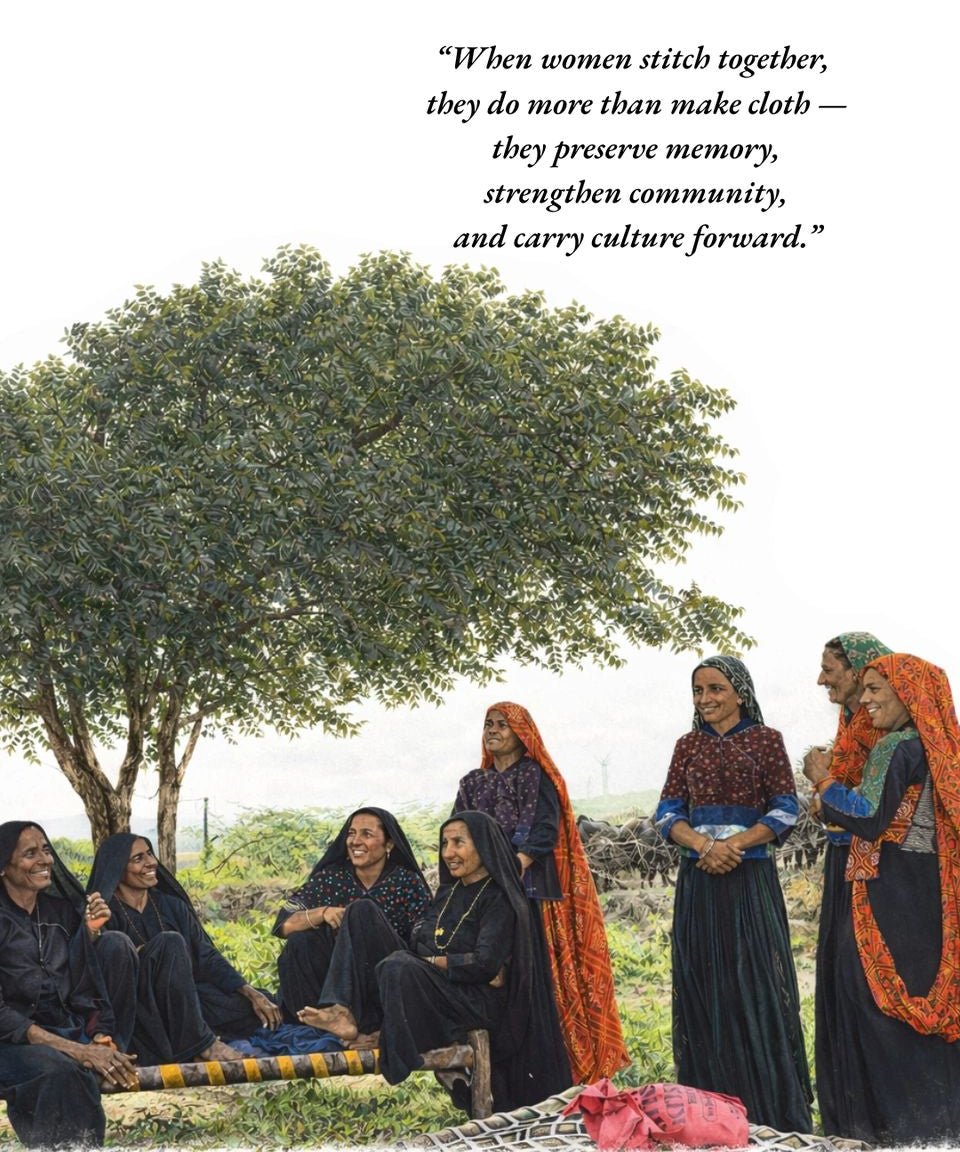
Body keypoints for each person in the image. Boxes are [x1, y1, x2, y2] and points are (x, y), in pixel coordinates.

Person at [297, 810, 571, 1112]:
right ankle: (343, 1011)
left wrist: (434, 961)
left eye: (458, 843)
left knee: (398, 965)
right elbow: (422, 939)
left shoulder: (500, 898)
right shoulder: (448, 893)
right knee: (361, 911)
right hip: (443, 986)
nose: (448, 853)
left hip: (476, 1002)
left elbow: (484, 964)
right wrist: (441, 960)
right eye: (444, 844)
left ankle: (388, 1034)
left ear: (483, 846)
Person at [806, 653, 960, 1145]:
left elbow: (869, 816)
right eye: (866, 688)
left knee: (881, 1008)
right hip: (929, 897)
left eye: (876, 690)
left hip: (889, 897)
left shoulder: (896, 746)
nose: (866, 699)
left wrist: (823, 779)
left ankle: (893, 1135)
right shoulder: (939, 747)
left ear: (908, 695)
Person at [655, 656, 812, 1132]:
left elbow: (785, 809)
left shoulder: (766, 741)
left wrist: (733, 846)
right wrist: (704, 846)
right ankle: (710, 1118)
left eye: (716, 689)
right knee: (704, 984)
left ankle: (769, 1114)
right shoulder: (687, 746)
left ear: (740, 693)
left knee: (756, 983)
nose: (705, 699)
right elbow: (667, 813)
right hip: (699, 883)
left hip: (749, 881)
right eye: (698, 691)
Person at [453, 703, 628, 1083]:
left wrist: (512, 866)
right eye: (488, 724)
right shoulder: (472, 782)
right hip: (483, 893)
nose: (493, 730)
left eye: (502, 725)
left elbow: (545, 831)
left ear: (523, 734)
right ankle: (493, 1079)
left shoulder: (537, 776)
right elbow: (457, 830)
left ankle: (551, 1077)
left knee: (532, 981)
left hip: (529, 896)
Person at [801, 632, 891, 1136]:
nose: (821, 680)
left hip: (878, 873)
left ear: (859, 671)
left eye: (830, 670)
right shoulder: (850, 723)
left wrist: (823, 783)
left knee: (865, 984)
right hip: (845, 863)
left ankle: (877, 1120)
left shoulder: (887, 731)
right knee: (842, 982)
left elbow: (867, 810)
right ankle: (849, 1120)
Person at [0, 821, 136, 1148]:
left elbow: (83, 982)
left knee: (115, 943)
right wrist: (78, 1051)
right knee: (61, 1071)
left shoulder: (60, 913)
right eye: (30, 853)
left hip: (64, 1030)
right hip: (10, 1044)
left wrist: (98, 1034)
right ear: (3, 866)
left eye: (46, 850)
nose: (44, 860)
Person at [87, 833, 278, 1062]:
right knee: (171, 941)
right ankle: (203, 1045)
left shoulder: (172, 906)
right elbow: (98, 965)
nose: (151, 862)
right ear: (117, 868)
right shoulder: (103, 912)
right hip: (138, 1008)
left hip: (184, 1000)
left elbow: (206, 956)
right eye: (138, 858)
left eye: (150, 854)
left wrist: (251, 992)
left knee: (263, 1005)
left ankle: (192, 1035)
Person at [272, 807, 431, 1021]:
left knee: (361, 909)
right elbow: (283, 926)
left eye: (367, 834)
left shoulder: (406, 881)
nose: (355, 841)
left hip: (384, 978)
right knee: (299, 942)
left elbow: (424, 938)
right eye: (351, 833)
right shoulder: (331, 878)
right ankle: (314, 1020)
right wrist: (323, 912)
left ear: (389, 844)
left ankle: (345, 1013)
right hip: (333, 977)